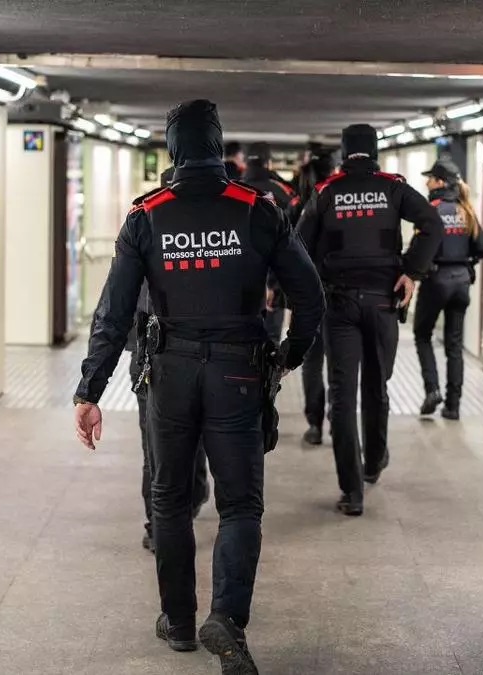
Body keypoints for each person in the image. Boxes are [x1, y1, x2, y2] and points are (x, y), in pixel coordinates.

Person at [74, 99, 324, 674]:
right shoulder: (257, 209)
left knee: (169, 498)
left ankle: (180, 622)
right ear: (218, 146)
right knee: (239, 505)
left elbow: (113, 313)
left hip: (169, 373)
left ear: (172, 151)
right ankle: (227, 619)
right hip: (239, 371)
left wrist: (91, 390)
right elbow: (309, 294)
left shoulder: (147, 214)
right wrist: (290, 354)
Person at [296, 124, 444, 516]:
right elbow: (433, 223)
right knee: (376, 386)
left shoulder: (326, 192)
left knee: (342, 397)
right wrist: (412, 271)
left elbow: (299, 246)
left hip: (338, 304)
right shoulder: (393, 188)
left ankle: (352, 492)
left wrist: (309, 291)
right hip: (382, 302)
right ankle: (374, 462)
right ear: (375, 153)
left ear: (344, 154)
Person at [130, 167, 209, 553]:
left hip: (182, 358)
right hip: (152, 358)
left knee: (173, 445)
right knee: (156, 450)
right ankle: (156, 524)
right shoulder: (143, 229)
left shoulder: (145, 228)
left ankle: (192, 492)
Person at [414, 160, 483, 420]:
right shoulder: (466, 211)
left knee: (422, 334)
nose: (427, 183)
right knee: (454, 345)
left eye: (431, 178)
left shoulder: (432, 210)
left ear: (441, 183)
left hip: (436, 281)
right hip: (461, 284)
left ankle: (432, 389)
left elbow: (420, 250)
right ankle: (453, 406)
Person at [241, 142, 303, 344]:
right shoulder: (286, 193)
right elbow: (292, 243)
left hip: (234, 283)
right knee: (271, 341)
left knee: (237, 341)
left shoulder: (229, 190)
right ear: (268, 162)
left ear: (244, 162)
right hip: (273, 282)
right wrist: (274, 285)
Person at [294, 150, 335, 445]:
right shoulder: (336, 199)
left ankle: (315, 425)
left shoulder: (301, 204)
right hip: (340, 294)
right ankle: (339, 415)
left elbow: (292, 249)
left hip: (310, 295)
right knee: (339, 360)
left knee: (312, 362)